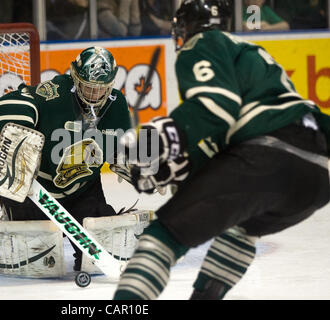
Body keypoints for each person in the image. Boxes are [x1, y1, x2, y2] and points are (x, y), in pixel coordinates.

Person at [113, 0, 330, 300]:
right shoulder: (253, 56)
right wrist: (181, 168)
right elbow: (227, 146)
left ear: (188, 27)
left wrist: (154, 141)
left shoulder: (204, 43)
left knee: (165, 235)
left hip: (267, 158)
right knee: (241, 229)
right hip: (316, 178)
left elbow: (216, 109)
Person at [0, 46, 132, 271]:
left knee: (97, 254)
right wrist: (20, 137)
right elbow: (6, 105)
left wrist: (139, 166)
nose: (94, 95)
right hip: (36, 192)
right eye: (88, 87)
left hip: (83, 191)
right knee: (37, 265)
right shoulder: (55, 91)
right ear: (75, 77)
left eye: (100, 89)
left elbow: (120, 148)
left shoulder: (117, 104)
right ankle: (10, 227)